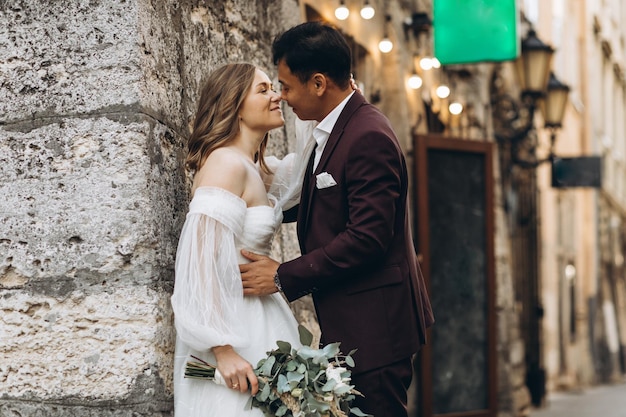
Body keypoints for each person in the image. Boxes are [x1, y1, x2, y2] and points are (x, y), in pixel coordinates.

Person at [239, 21, 435, 417]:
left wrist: (282, 275)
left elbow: (367, 237)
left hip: (377, 327)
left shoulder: (367, 135)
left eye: (287, 86)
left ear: (318, 83)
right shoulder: (332, 128)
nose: (282, 96)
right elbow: (324, 202)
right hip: (359, 322)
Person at [170, 62, 315, 417]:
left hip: (263, 314)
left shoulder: (256, 169)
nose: (276, 96)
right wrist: (222, 349)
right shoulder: (225, 164)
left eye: (274, 88)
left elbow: (306, 165)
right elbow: (200, 259)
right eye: (263, 90)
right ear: (233, 104)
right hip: (233, 327)